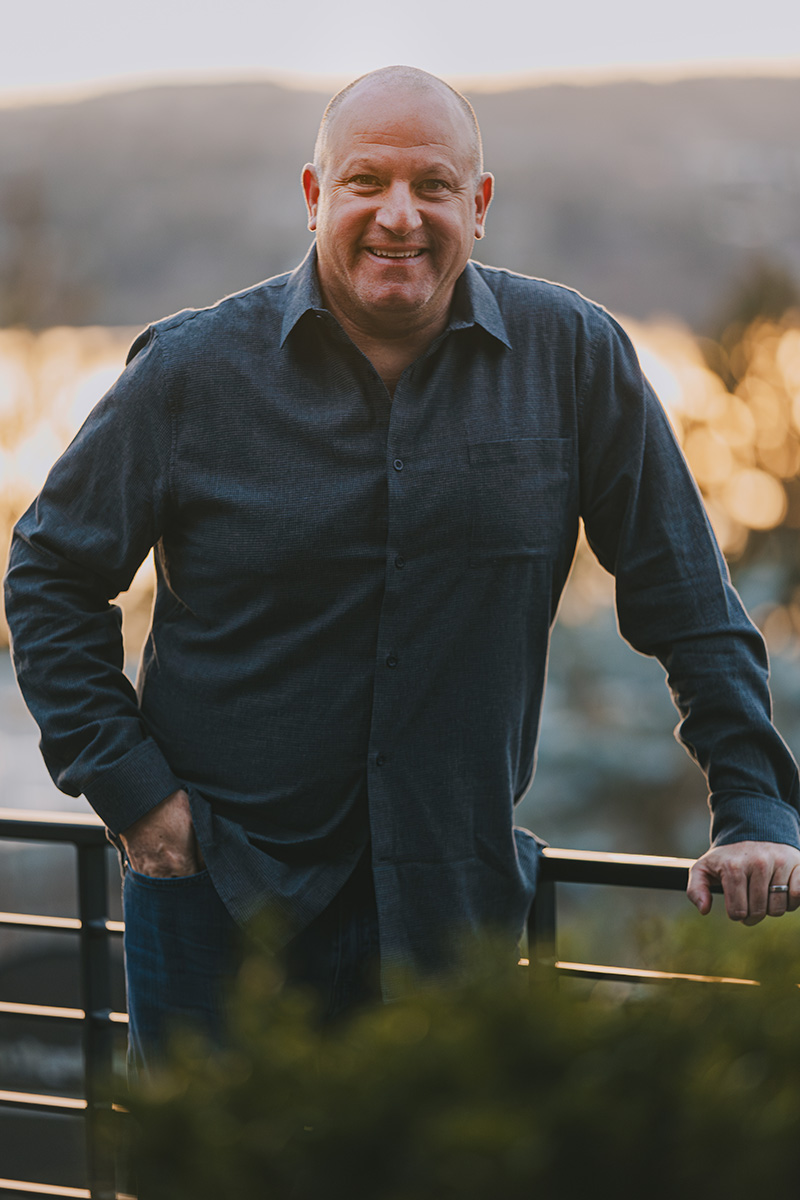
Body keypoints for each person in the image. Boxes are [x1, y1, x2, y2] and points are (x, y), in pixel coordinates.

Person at [5, 66, 800, 1067]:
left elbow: (685, 596)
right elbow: (48, 575)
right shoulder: (190, 373)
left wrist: (753, 806)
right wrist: (135, 797)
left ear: (478, 205)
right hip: (216, 904)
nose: (397, 216)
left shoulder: (573, 358)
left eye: (430, 186)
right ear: (313, 199)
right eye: (365, 182)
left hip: (451, 908)